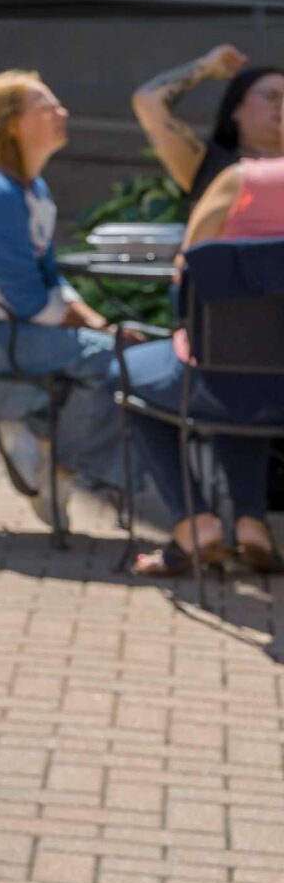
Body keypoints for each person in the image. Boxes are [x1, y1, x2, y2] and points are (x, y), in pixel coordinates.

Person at [0, 70, 142, 522]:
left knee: (115, 352)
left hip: (0, 327)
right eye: (46, 106)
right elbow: (32, 300)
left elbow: (49, 282)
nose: (62, 113)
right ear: (12, 124)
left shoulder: (32, 189)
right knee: (119, 361)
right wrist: (104, 335)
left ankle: (37, 435)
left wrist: (102, 327)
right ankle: (57, 462)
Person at [119, 157, 284, 577]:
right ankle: (252, 524)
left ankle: (194, 523)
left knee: (123, 373)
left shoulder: (243, 181)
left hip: (218, 373)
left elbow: (184, 285)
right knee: (253, 380)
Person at [131, 44, 284, 212]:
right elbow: (149, 100)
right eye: (272, 96)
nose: (281, 105)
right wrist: (206, 66)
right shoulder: (207, 163)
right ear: (235, 108)